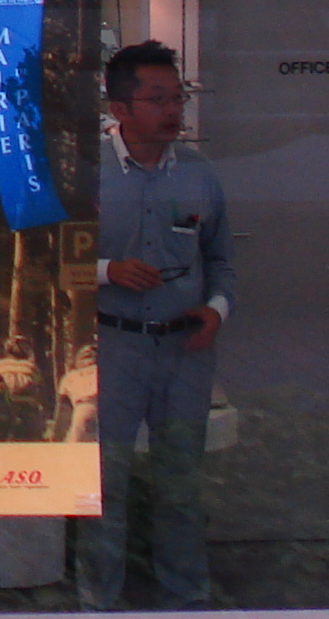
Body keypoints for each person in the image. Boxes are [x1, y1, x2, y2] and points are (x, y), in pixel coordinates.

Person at [80, 40, 231, 610]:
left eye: (178, 98)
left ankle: (185, 599)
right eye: (158, 99)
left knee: (180, 487)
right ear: (119, 108)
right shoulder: (85, 173)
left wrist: (217, 310)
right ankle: (98, 602)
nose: (173, 111)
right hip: (112, 348)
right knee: (104, 487)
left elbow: (221, 260)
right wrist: (107, 271)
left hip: (185, 352)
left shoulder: (199, 175)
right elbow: (49, 259)